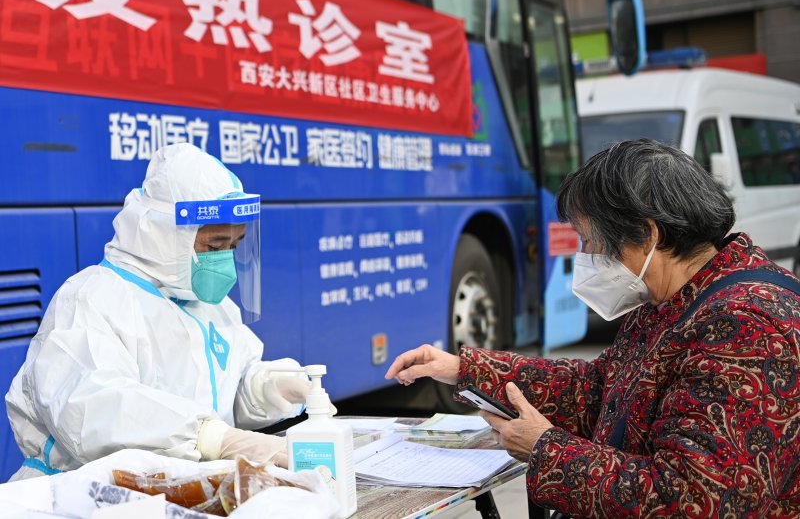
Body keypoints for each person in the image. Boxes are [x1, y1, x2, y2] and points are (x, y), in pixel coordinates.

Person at [386, 139, 800, 517]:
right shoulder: (673, 300)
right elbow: (597, 390)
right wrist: (464, 369)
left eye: (589, 241)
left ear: (646, 234)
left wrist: (546, 450)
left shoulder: (746, 326)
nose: (585, 257)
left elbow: (694, 500)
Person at [6, 143, 311, 480]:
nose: (225, 260)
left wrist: (265, 388)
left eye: (234, 246)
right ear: (165, 235)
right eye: (214, 246)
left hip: (177, 493)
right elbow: (93, 411)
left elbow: (222, 396)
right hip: (81, 497)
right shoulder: (91, 299)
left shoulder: (213, 307)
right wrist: (209, 437)